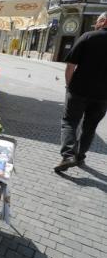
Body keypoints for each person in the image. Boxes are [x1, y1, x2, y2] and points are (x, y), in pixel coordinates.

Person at [54, 12, 107, 172]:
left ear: (103, 21)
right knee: (90, 127)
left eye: (97, 21)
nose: (95, 24)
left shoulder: (88, 37)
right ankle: (80, 156)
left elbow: (70, 66)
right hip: (103, 95)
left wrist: (69, 87)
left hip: (78, 90)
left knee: (70, 122)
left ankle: (68, 155)